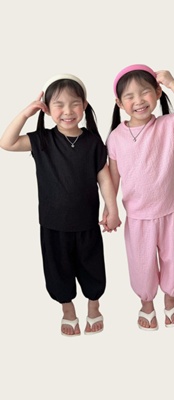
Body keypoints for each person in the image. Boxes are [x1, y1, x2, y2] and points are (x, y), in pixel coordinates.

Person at [0, 74, 121, 336]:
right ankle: (67, 309)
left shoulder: (92, 141)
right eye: (59, 104)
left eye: (74, 103)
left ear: (84, 105)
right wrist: (25, 113)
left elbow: (104, 179)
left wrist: (112, 209)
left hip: (87, 223)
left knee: (92, 267)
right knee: (58, 270)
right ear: (47, 108)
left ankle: (94, 305)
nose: (67, 111)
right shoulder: (42, 140)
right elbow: (6, 143)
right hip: (53, 224)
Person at [107, 64, 174, 331]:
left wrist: (172, 82)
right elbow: (113, 179)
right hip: (138, 215)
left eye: (145, 92)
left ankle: (171, 298)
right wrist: (110, 208)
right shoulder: (115, 138)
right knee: (141, 263)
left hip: (171, 208)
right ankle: (146, 302)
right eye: (129, 96)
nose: (138, 100)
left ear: (158, 92)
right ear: (119, 103)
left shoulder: (168, 125)